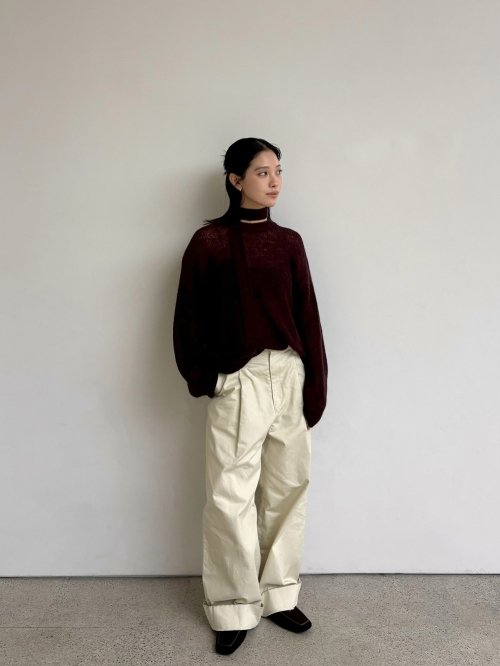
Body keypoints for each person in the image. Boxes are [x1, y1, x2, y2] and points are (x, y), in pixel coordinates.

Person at [173, 137, 328, 655]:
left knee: (288, 488)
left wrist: (315, 382)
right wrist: (208, 379)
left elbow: (308, 315)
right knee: (230, 495)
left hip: (288, 371)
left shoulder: (289, 242)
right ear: (235, 180)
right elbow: (187, 319)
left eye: (278, 170)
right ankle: (233, 605)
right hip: (238, 377)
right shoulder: (209, 242)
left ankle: (279, 595)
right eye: (262, 172)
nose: (274, 180)